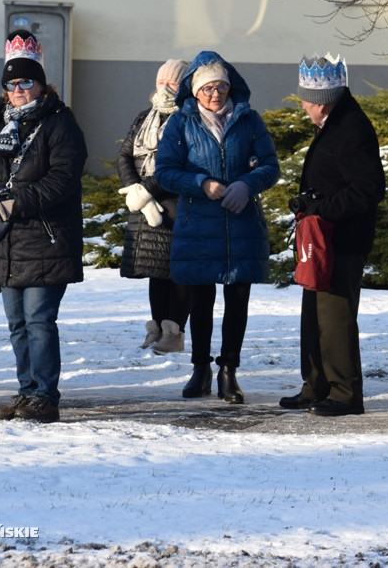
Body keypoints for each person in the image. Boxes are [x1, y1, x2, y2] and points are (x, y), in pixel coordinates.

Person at [0, 30, 87, 424]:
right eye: (11, 84)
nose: (18, 90)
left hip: (47, 237)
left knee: (38, 320)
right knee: (17, 322)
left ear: (41, 84)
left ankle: (44, 396)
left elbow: (63, 179)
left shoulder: (60, 124)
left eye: (26, 83)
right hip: (6, 241)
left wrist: (17, 203)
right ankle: (26, 392)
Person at [155, 51, 280, 404]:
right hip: (198, 224)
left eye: (221, 87)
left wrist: (247, 184)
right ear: (195, 91)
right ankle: (201, 369)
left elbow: (270, 166)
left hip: (242, 223)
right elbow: (164, 171)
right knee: (202, 301)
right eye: (208, 88)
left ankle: (229, 371)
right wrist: (201, 183)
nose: (215, 95)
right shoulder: (181, 123)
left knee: (237, 300)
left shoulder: (249, 120)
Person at [279, 54, 386, 417]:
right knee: (314, 316)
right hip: (322, 241)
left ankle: (344, 393)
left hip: (342, 241)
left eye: (308, 100)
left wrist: (320, 207)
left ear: (323, 102)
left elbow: (368, 189)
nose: (304, 105)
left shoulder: (351, 128)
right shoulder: (334, 125)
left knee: (336, 318)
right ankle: (316, 384)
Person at [116, 59, 190, 354]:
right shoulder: (144, 116)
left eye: (173, 83)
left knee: (177, 271)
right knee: (154, 268)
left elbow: (181, 163)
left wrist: (147, 191)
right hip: (144, 205)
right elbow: (124, 156)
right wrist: (135, 188)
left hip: (175, 204)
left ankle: (175, 331)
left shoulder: (188, 119)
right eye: (162, 81)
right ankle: (157, 327)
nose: (165, 88)